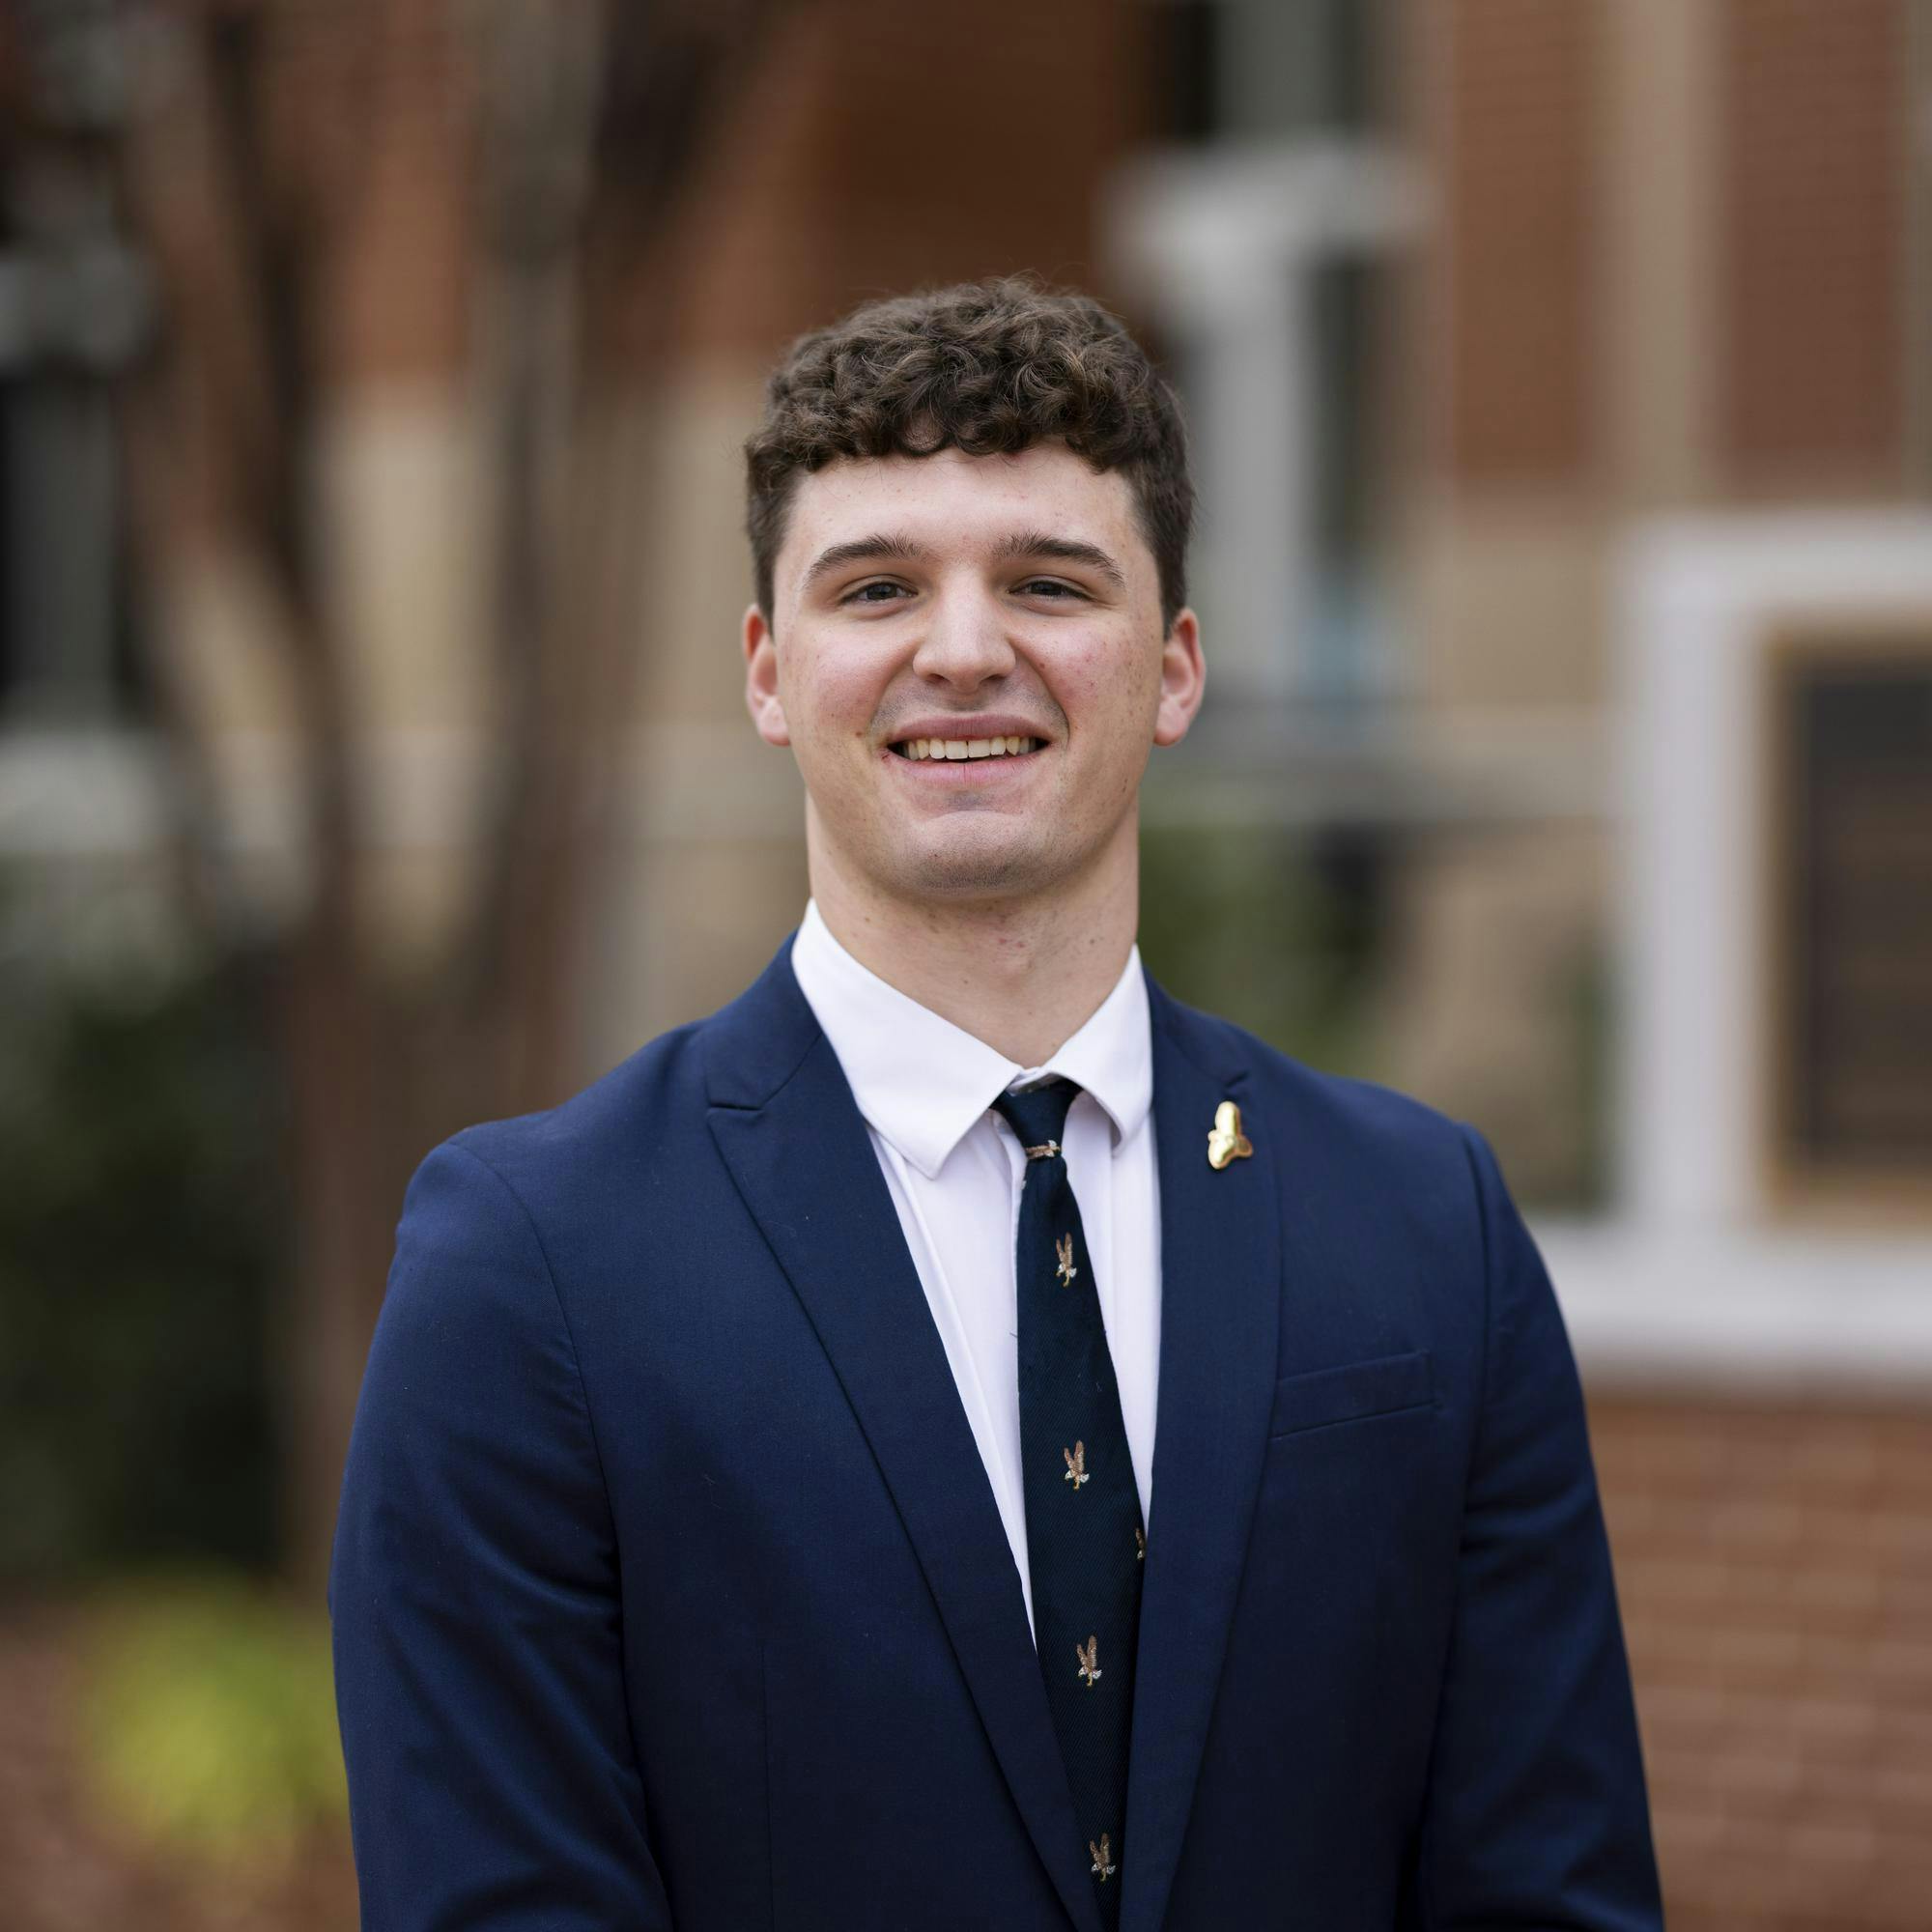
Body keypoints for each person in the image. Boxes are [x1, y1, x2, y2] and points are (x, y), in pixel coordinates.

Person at [329, 278, 1663, 1932]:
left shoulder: (1424, 1224)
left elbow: (1553, 1883)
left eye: (1047, 583)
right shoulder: (532, 1265)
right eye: (878, 586)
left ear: (1174, 669)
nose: (964, 651)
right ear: (768, 673)